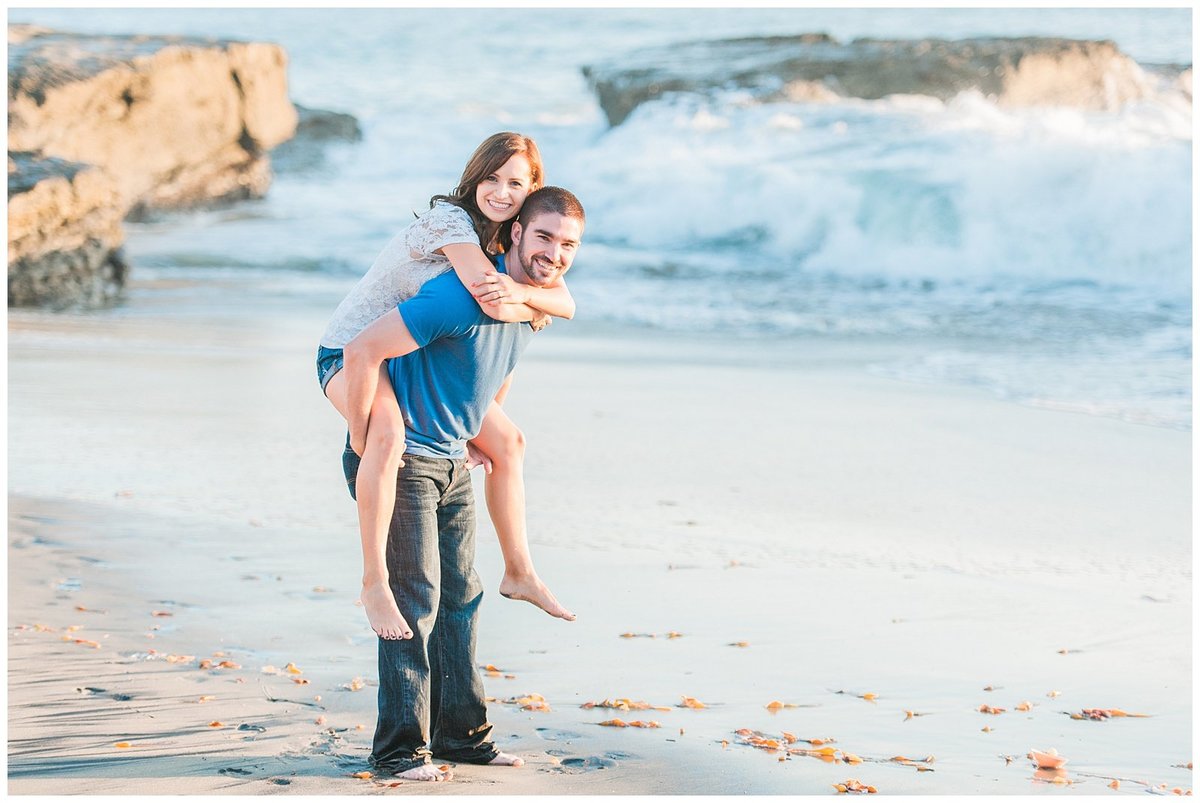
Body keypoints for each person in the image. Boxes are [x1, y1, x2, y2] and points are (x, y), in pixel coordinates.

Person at [357, 187, 586, 780]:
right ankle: (399, 750)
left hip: (454, 459)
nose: (554, 254)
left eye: (568, 245)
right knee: (418, 599)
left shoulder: (534, 305)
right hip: (402, 460)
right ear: (513, 234)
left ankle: (463, 738)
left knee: (462, 598)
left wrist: (479, 434)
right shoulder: (457, 297)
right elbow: (366, 349)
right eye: (543, 237)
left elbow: (496, 370)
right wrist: (369, 439)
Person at [316, 133, 575, 642]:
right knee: (386, 436)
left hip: (405, 356)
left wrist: (527, 297)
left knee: (509, 443)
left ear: (531, 192)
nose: (501, 192)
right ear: (474, 177)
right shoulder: (451, 223)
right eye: (492, 178)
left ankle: (519, 570)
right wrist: (356, 439)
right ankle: (373, 582)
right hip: (352, 351)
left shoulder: (508, 240)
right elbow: (494, 303)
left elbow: (563, 303)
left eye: (516, 183)